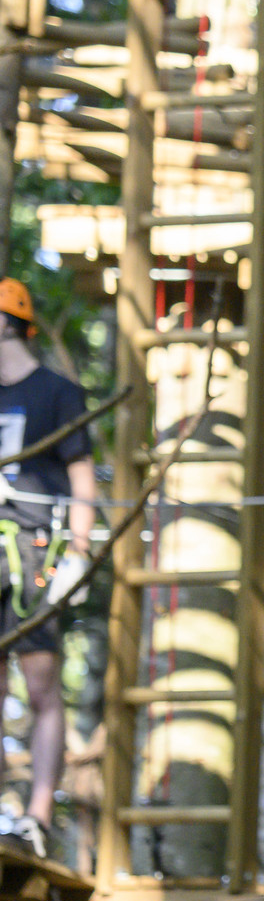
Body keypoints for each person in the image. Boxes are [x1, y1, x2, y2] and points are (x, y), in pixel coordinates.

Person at [0, 279, 95, 858]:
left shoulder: (56, 394)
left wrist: (78, 554)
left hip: (35, 552)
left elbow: (83, 480)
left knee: (40, 684)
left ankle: (37, 817)